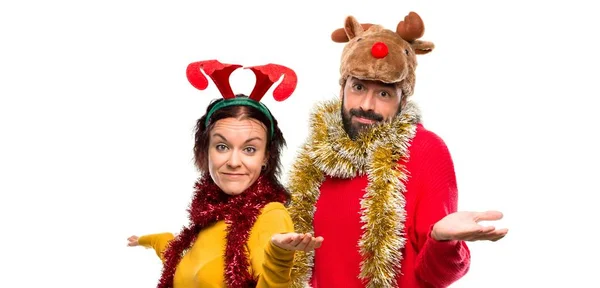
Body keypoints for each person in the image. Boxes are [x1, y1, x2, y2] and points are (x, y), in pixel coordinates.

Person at [286, 12, 509, 288]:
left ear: (402, 101)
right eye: (358, 87)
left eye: (384, 93)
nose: (367, 105)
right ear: (342, 88)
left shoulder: (425, 150)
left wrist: (441, 239)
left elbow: (438, 275)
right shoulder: (318, 156)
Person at [127, 59, 323, 288]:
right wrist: (142, 240)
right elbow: (172, 249)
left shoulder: (270, 215)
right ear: (206, 150)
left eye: (250, 149)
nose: (233, 162)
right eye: (222, 146)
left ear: (266, 157)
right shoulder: (207, 218)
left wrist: (279, 255)